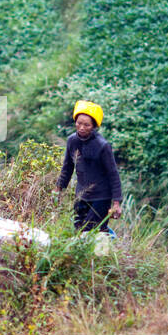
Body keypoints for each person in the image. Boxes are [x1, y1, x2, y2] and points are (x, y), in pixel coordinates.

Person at [54, 99, 122, 234]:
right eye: (78, 123)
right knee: (78, 230)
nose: (82, 128)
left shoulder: (102, 145)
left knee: (92, 231)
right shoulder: (72, 141)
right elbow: (67, 168)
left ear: (94, 126)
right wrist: (58, 189)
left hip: (101, 197)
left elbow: (113, 174)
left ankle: (102, 253)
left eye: (87, 125)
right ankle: (91, 253)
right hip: (81, 196)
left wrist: (116, 203)